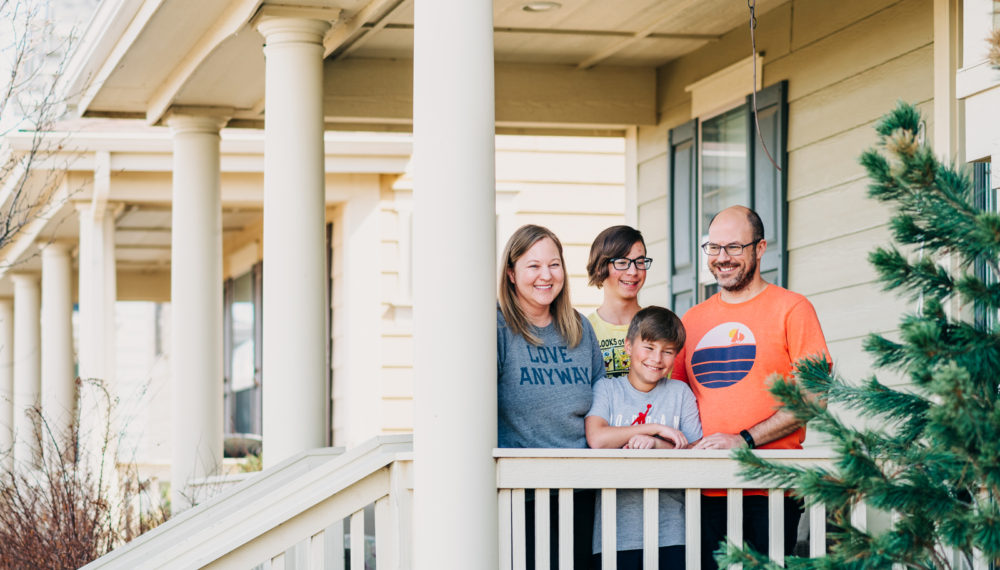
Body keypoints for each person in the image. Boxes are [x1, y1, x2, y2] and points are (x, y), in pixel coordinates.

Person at [671, 205, 830, 569]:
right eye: (713, 248)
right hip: (703, 488)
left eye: (733, 248)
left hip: (769, 485)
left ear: (760, 249)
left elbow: (814, 395)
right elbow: (674, 398)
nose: (721, 258)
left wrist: (744, 439)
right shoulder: (692, 320)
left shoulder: (793, 309)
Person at [497, 224, 605, 568]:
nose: (546, 275)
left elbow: (602, 395)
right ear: (511, 273)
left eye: (554, 264)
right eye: (534, 266)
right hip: (523, 494)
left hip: (582, 489)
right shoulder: (498, 328)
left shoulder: (578, 326)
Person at [585, 306, 701, 569]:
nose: (656, 358)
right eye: (648, 347)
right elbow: (598, 439)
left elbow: (696, 452)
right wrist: (652, 428)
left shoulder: (679, 393)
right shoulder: (607, 389)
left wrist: (656, 444)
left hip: (672, 532)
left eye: (668, 351)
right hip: (614, 533)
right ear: (628, 346)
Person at [586, 225, 651, 379]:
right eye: (622, 263)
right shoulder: (584, 331)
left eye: (640, 262)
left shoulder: (659, 324)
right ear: (599, 268)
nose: (633, 272)